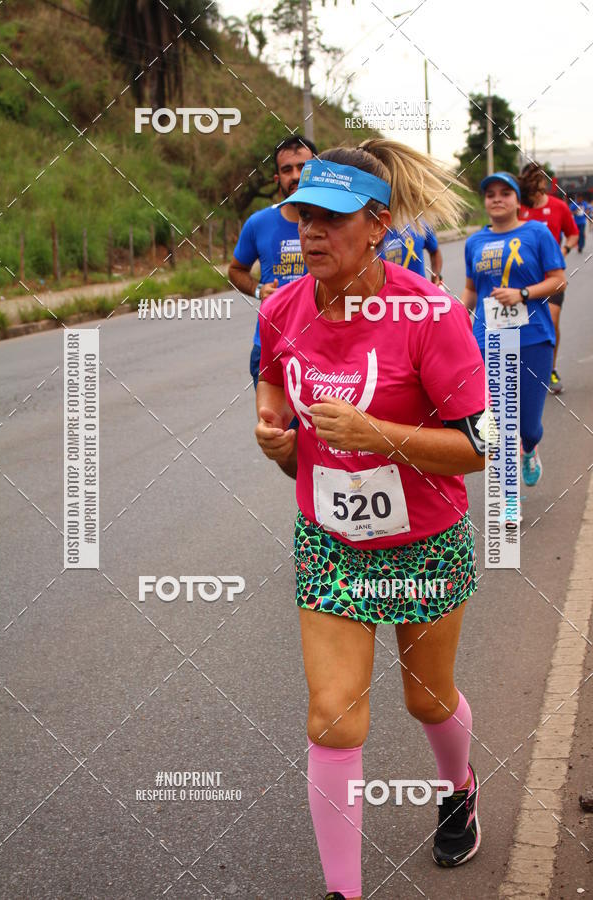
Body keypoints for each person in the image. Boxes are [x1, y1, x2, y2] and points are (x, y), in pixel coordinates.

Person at [255, 139, 489, 900]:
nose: (311, 232)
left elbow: (476, 449)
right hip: (330, 540)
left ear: (378, 222)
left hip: (423, 541)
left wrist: (379, 435)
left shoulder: (430, 314)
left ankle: (458, 787)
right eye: (302, 217)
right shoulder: (283, 305)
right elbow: (271, 374)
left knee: (425, 697)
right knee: (333, 718)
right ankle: (343, 893)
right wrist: (273, 427)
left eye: (332, 217)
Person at [462, 172, 566, 495]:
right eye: (490, 193)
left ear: (517, 200)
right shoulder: (474, 242)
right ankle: (508, 499)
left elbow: (558, 280)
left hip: (533, 337)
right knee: (495, 419)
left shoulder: (537, 233)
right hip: (487, 340)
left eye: (504, 193)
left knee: (527, 425)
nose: (496, 198)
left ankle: (530, 447)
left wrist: (522, 294)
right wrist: (456, 318)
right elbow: (470, 290)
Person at [228, 135, 318, 389]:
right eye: (287, 169)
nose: (296, 175)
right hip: (270, 346)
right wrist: (259, 290)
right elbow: (236, 270)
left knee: (320, 429)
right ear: (278, 179)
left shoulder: (337, 223)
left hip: (323, 347)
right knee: (276, 429)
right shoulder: (258, 223)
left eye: (303, 167)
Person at [518, 162, 578, 394]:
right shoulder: (521, 207)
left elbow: (573, 234)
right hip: (524, 278)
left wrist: (562, 252)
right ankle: (521, 369)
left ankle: (550, 369)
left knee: (551, 321)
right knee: (520, 325)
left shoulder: (559, 207)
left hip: (551, 277)